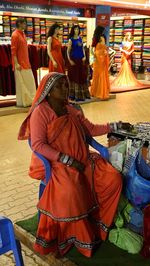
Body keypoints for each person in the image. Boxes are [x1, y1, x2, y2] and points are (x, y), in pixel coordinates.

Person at [18, 72, 132, 257]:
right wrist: (67, 160)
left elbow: (92, 129)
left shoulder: (71, 109)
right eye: (60, 86)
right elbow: (38, 144)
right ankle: (75, 238)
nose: (66, 88)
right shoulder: (41, 112)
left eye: (66, 84)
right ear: (48, 91)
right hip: (60, 165)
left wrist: (116, 126)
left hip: (85, 160)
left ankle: (97, 222)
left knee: (113, 179)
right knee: (71, 192)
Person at [11, 17, 36, 107]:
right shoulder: (15, 35)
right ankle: (23, 102)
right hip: (20, 64)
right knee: (22, 83)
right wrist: (16, 63)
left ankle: (29, 101)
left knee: (29, 83)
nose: (25, 25)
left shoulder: (23, 34)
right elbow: (13, 51)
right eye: (24, 23)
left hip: (26, 62)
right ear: (19, 24)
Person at [67, 25, 90, 101]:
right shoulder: (71, 40)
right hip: (74, 60)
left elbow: (82, 48)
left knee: (82, 77)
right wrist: (69, 60)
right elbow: (68, 51)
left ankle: (83, 94)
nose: (76, 30)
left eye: (78, 29)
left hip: (81, 60)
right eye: (75, 29)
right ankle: (74, 95)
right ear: (73, 30)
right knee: (75, 77)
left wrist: (84, 56)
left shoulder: (80, 38)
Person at [90, 26, 110, 100]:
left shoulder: (101, 37)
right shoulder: (96, 38)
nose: (103, 32)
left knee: (101, 73)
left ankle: (99, 91)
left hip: (102, 57)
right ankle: (97, 92)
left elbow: (104, 47)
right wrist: (94, 56)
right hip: (98, 58)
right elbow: (91, 49)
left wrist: (104, 53)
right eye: (102, 30)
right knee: (97, 74)